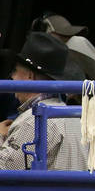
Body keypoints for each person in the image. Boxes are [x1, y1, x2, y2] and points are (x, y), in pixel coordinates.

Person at [0, 32, 88, 171]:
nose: (12, 77)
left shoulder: (36, 119)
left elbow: (4, 168)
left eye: (15, 71)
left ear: (30, 75)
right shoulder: (74, 116)